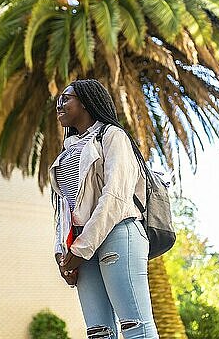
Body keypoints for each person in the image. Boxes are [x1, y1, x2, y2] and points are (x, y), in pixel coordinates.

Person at [50, 79, 159, 339]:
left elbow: (115, 198)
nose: (59, 105)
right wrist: (61, 250)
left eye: (66, 99)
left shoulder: (113, 136)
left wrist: (81, 248)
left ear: (86, 102)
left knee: (135, 326)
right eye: (59, 100)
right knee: (98, 332)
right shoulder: (67, 152)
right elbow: (63, 208)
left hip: (118, 233)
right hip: (80, 245)